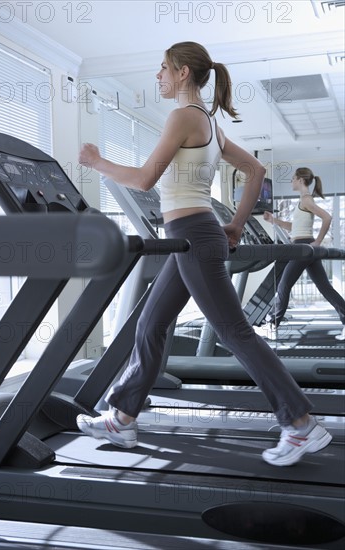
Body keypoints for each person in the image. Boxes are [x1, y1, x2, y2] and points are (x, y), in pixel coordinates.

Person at [76, 42, 332, 467]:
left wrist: (97, 162)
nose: (157, 76)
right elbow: (256, 171)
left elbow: (143, 180)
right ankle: (122, 418)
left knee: (234, 332)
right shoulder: (210, 124)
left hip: (192, 233)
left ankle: (300, 424)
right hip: (196, 232)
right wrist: (233, 225)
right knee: (151, 322)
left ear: (180, 73)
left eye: (162, 69)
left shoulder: (183, 117)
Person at [262, 168, 345, 342]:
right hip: (304, 246)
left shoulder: (306, 199)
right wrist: (273, 221)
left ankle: (271, 325)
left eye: (293, 179)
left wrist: (317, 242)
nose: (291, 181)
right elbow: (295, 228)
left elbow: (327, 217)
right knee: (325, 288)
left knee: (283, 285)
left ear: (300, 180)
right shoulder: (304, 201)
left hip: (303, 248)